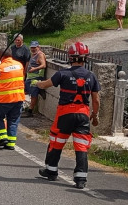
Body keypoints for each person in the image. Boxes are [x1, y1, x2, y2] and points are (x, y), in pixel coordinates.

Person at [33, 41, 100, 189]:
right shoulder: (91, 76)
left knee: (56, 141)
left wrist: (37, 83)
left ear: (70, 58)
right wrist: (95, 115)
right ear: (85, 58)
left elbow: (45, 85)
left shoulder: (62, 74)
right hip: (83, 114)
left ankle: (51, 171)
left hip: (65, 113)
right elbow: (96, 99)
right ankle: (81, 179)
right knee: (81, 147)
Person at [0, 48, 26, 150]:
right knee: (13, 120)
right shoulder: (20, 65)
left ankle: (3, 138)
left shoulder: (1, 67)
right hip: (19, 98)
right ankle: (11, 144)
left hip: (4, 99)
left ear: (1, 56)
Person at [25, 40, 47, 117]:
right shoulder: (33, 54)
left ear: (38, 47)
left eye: (35, 47)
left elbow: (43, 65)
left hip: (36, 78)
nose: (33, 49)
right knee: (27, 92)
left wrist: (34, 69)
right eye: (32, 47)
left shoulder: (40, 55)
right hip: (30, 78)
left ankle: (30, 111)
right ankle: (40, 90)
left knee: (34, 95)